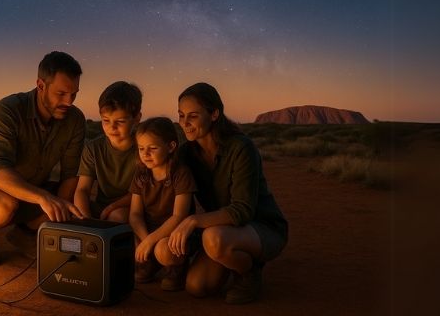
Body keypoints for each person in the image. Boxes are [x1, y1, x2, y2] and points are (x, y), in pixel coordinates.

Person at [0, 51, 87, 266]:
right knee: (3, 205)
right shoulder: (6, 111)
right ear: (40, 85)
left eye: (74, 94)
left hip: (34, 188)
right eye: (62, 93)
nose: (69, 101)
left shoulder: (75, 120)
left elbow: (70, 174)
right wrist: (43, 198)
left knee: (69, 206)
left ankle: (26, 235)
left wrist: (59, 212)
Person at [167, 82, 288, 304]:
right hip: (222, 228)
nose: (184, 123)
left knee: (213, 239)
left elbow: (242, 210)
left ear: (214, 114)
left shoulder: (241, 148)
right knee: (197, 287)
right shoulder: (186, 153)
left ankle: (249, 273)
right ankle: (226, 256)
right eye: (181, 115)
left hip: (260, 226)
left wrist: (193, 221)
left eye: (193, 116)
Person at [128, 117, 196, 291]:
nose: (146, 154)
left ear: (171, 147)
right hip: (148, 229)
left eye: (153, 148)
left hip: (174, 232)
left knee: (163, 249)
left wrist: (150, 241)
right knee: (128, 239)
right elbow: (135, 214)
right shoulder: (141, 174)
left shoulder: (181, 174)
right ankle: (151, 264)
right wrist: (145, 240)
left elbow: (179, 216)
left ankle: (176, 267)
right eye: (141, 148)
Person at [74, 81, 143, 224]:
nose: (112, 127)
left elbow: (143, 192)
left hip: (133, 206)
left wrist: (112, 207)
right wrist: (87, 222)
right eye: (106, 120)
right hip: (101, 207)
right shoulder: (93, 148)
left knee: (117, 216)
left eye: (120, 121)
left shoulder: (144, 148)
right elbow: (82, 190)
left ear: (136, 118)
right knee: (70, 212)